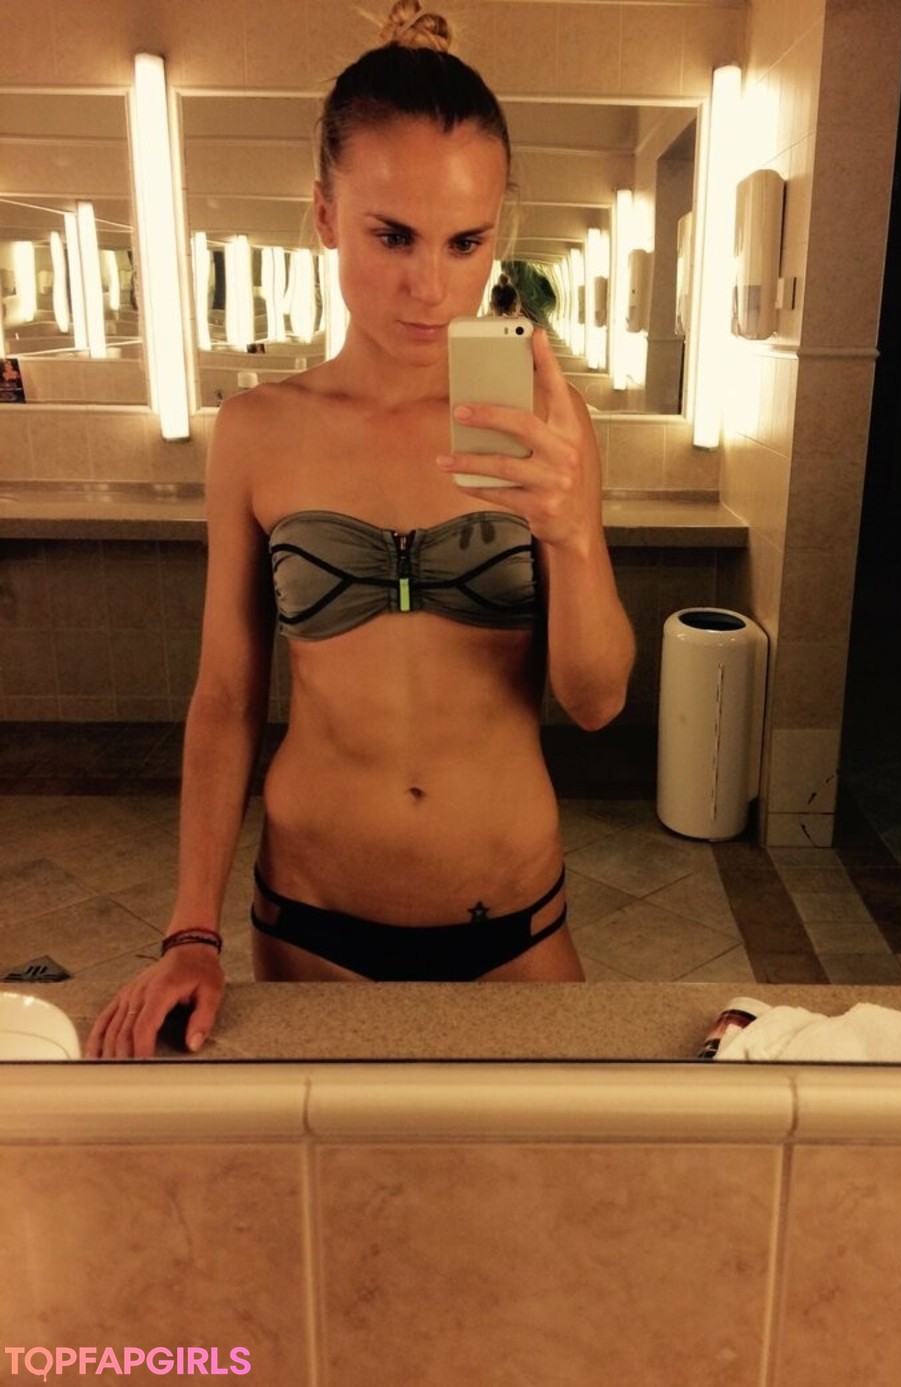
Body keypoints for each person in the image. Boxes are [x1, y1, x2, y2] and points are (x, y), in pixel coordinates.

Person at [87, 0, 634, 1059]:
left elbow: (597, 698)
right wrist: (190, 930)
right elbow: (226, 696)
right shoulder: (260, 431)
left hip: (515, 922)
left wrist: (572, 534)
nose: (430, 286)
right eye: (392, 235)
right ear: (326, 216)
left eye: (466, 241)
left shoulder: (543, 423)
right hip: (313, 925)